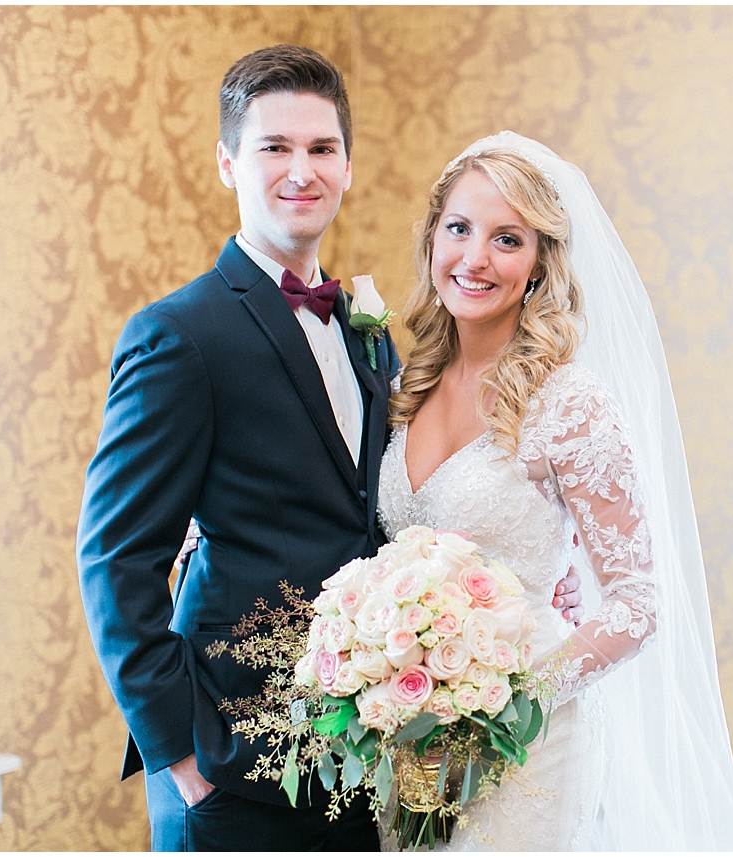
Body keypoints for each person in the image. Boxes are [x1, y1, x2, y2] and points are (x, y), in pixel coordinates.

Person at [76, 45, 584, 851]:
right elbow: (114, 559)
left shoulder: (370, 336)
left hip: (362, 752)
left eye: (322, 148)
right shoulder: (179, 335)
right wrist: (180, 753)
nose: (300, 170)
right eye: (273, 147)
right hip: (232, 760)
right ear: (226, 162)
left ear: (348, 167)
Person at [377, 133, 733, 850]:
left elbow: (639, 601)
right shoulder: (406, 387)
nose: (475, 257)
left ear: (541, 262)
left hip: (529, 740)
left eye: (507, 238)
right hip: (413, 732)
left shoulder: (569, 401)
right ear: (433, 239)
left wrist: (504, 704)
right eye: (459, 229)